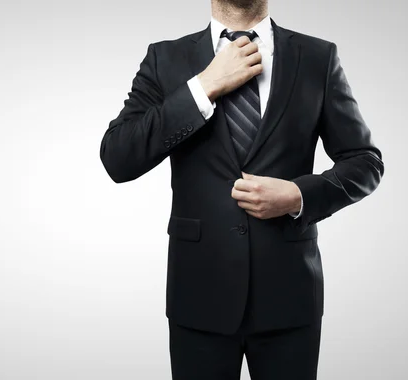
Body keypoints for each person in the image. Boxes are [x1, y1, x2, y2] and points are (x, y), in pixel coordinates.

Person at [99, 0, 384, 379]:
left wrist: (299, 196)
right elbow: (118, 157)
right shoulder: (165, 58)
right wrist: (204, 87)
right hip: (199, 295)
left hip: (290, 298)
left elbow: (365, 161)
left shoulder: (318, 57)